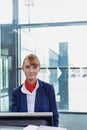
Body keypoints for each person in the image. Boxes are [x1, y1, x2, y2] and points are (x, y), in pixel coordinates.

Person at [11, 53, 59, 127]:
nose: (31, 71)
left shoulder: (48, 89)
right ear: (23, 68)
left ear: (39, 69)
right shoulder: (16, 92)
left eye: (34, 67)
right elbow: (14, 119)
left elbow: (55, 116)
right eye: (27, 67)